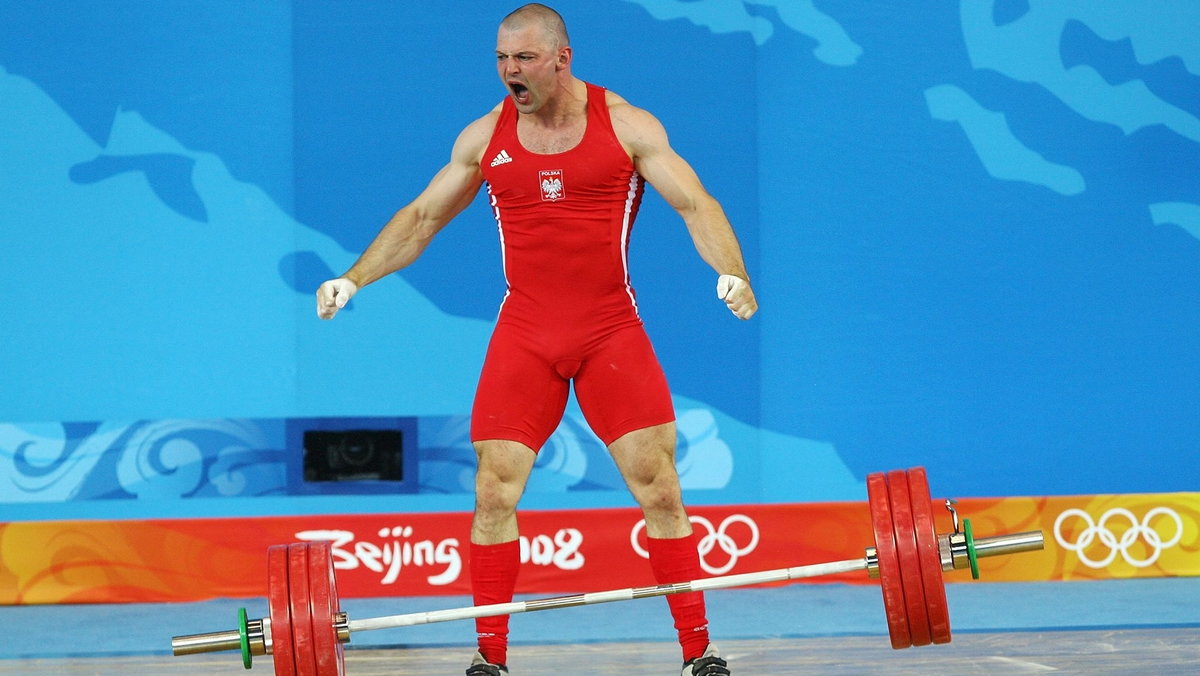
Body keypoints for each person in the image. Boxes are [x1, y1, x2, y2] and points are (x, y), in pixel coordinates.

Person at [316, 4, 756, 675]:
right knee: (494, 491)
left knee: (660, 489)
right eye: (500, 58)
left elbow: (697, 204)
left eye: (522, 59)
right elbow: (423, 216)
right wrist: (353, 280)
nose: (508, 72)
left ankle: (699, 654)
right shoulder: (486, 136)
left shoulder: (628, 126)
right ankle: (489, 660)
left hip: (610, 327)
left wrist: (732, 273)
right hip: (525, 331)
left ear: (561, 57)